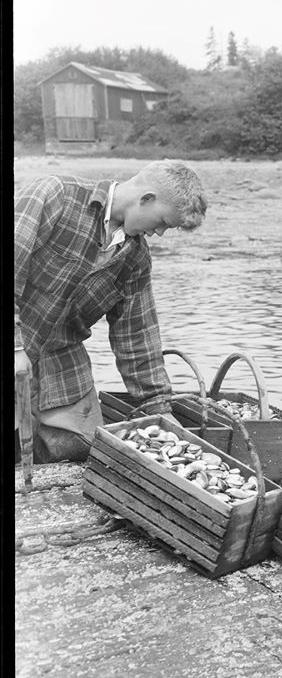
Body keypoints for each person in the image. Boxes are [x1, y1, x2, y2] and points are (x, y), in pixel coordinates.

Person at [13, 161, 209, 464]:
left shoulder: (136, 258)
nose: (158, 234)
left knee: (84, 448)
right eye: (161, 223)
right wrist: (16, 346)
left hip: (61, 360)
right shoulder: (54, 195)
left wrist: (158, 407)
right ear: (146, 198)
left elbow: (138, 338)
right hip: (16, 342)